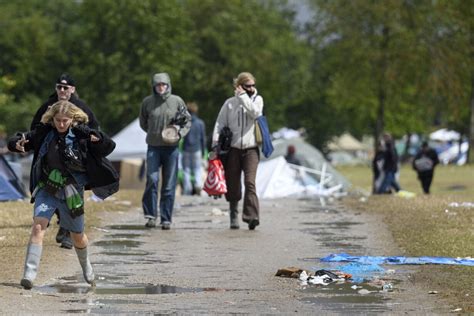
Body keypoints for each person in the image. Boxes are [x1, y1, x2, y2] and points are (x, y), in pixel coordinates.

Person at [7, 100, 119, 290]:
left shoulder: (82, 134)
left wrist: (97, 139)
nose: (60, 124)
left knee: (77, 236)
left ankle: (87, 267)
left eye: (65, 120)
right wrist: (16, 143)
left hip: (72, 191)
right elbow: (18, 141)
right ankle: (29, 275)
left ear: (72, 119)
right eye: (57, 120)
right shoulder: (44, 133)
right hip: (47, 188)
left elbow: (109, 146)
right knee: (38, 226)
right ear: (52, 119)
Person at [30, 73, 100, 250]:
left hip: (74, 167)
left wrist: (89, 143)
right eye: (59, 87)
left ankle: (67, 231)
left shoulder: (81, 107)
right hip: (51, 162)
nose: (62, 90)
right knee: (51, 192)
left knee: (71, 198)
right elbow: (34, 129)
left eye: (65, 87)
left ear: (72, 89)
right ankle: (62, 224)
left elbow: (95, 129)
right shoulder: (47, 106)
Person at [212, 72, 263, 230]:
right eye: (248, 86)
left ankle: (251, 216)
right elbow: (219, 124)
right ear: (239, 86)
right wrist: (215, 144)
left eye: (253, 85)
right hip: (233, 149)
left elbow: (255, 113)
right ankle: (233, 214)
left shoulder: (258, 100)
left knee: (250, 182)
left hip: (251, 149)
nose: (251, 88)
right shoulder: (229, 103)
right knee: (233, 183)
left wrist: (244, 98)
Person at [139, 72, 191, 230]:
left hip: (171, 148)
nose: (161, 87)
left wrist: (178, 134)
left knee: (169, 185)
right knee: (152, 180)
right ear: (154, 86)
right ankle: (150, 216)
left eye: (164, 84)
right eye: (158, 85)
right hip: (153, 147)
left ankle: (166, 218)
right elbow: (143, 122)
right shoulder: (147, 102)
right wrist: (153, 133)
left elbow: (187, 121)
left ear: (168, 85)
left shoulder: (177, 101)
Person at [181, 102, 206, 195]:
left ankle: (187, 190)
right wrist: (203, 152)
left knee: (186, 169)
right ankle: (198, 185)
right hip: (197, 149)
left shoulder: (185, 123)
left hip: (186, 149)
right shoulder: (200, 123)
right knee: (197, 168)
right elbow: (203, 138)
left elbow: (182, 137)